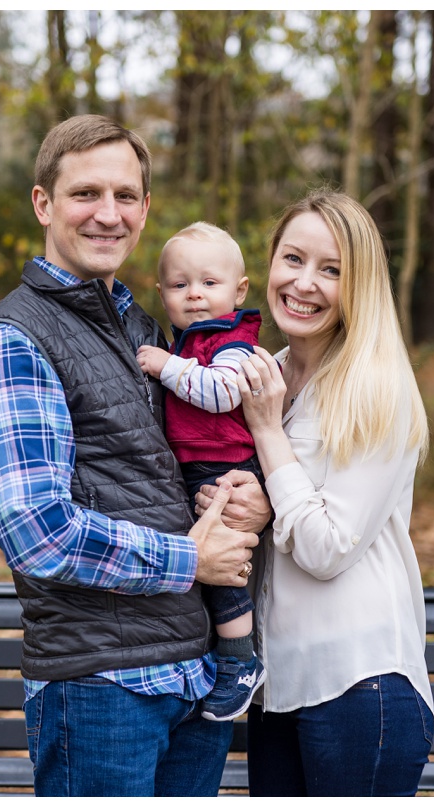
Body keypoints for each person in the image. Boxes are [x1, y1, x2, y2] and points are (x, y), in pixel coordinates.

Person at [0, 114, 263, 797]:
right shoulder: (15, 340)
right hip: (101, 686)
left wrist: (249, 495)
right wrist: (193, 559)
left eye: (125, 196)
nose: (108, 214)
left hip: (193, 677)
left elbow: (190, 460)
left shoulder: (150, 330)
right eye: (85, 194)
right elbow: (38, 531)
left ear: (146, 209)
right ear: (43, 203)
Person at [208, 188, 434, 796]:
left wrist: (265, 432)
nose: (304, 283)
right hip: (277, 684)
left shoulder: (375, 389)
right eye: (293, 259)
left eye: (331, 270)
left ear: (359, 285)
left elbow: (327, 547)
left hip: (360, 684)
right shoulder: (261, 375)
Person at [136, 222, 267, 722]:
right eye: (179, 284)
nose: (194, 294)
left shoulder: (231, 343)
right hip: (197, 467)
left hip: (226, 466)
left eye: (209, 283)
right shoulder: (192, 340)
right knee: (206, 567)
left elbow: (222, 393)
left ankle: (240, 661)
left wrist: (168, 367)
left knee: (223, 569)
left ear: (239, 290)